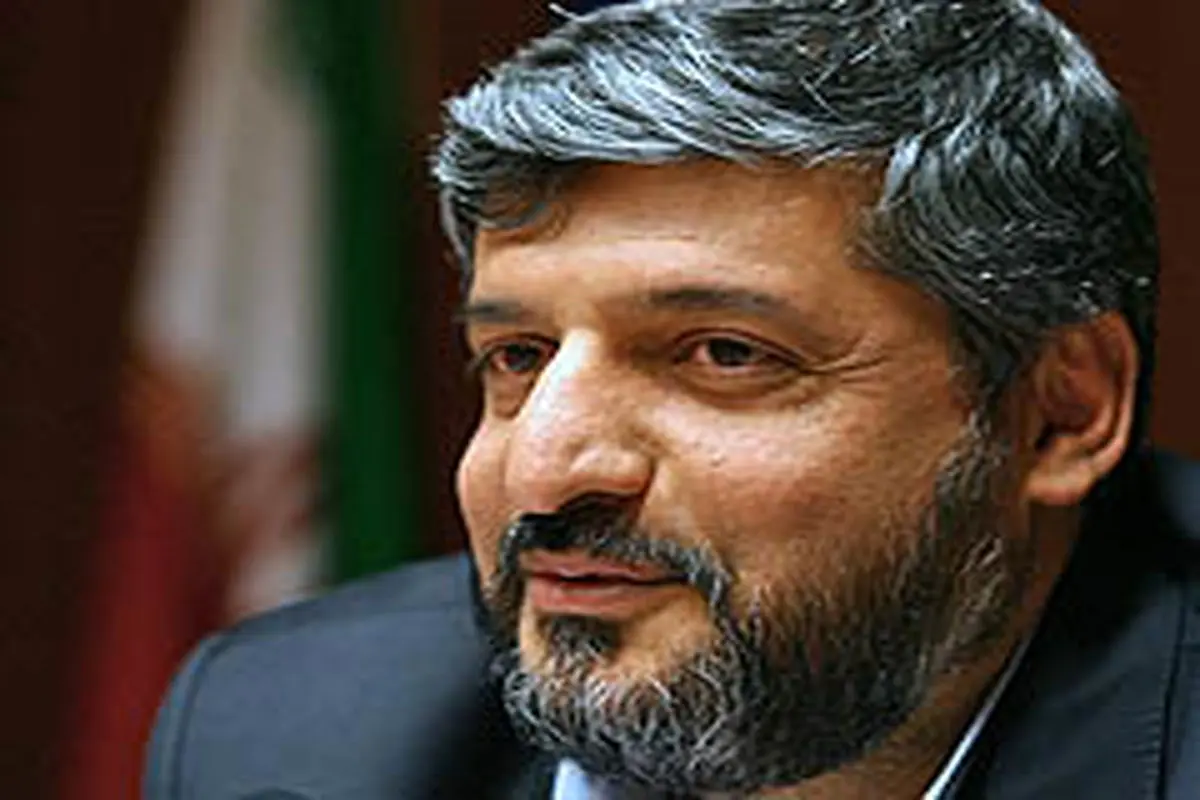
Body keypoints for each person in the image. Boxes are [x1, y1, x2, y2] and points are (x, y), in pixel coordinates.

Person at [144, 1, 1200, 798]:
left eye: (724, 354)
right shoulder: (286, 732)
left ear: (1060, 414)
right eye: (516, 356)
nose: (543, 471)